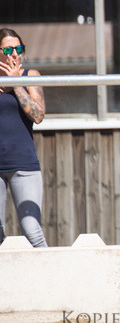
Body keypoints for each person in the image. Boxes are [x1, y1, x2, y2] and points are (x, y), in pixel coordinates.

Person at [0, 29, 47, 247]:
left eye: (19, 49)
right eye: (8, 49)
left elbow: (37, 115)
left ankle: (52, 278)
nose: (15, 54)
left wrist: (17, 85)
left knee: (32, 231)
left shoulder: (31, 76)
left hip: (24, 164)